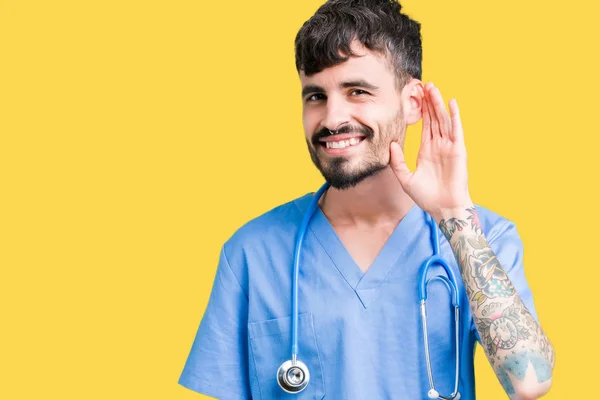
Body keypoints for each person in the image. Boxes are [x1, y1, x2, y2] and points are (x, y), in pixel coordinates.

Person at [178, 0, 555, 398]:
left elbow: (529, 382)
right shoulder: (253, 254)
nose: (331, 118)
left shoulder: (483, 239)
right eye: (315, 96)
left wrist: (454, 216)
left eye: (357, 91)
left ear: (412, 103)